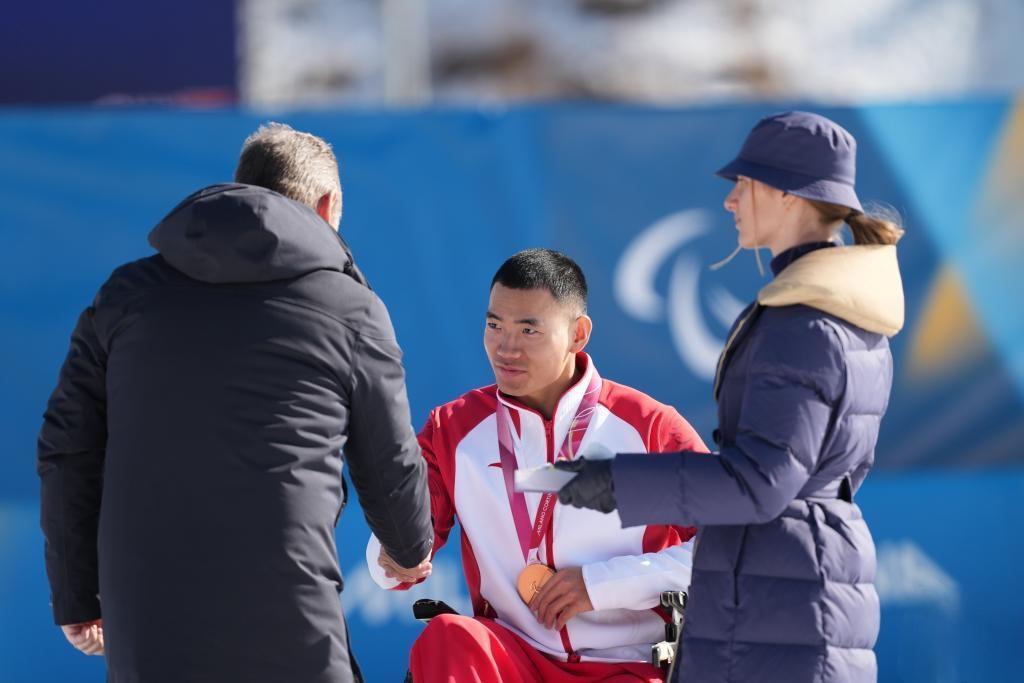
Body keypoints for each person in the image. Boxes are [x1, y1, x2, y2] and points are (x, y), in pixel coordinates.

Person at [37, 122, 433, 683]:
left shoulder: (124, 296)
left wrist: (77, 595)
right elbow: (387, 456)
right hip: (290, 606)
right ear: (327, 205)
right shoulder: (351, 309)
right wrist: (409, 547)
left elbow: (67, 447)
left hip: (148, 615)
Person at [558, 111, 904, 682]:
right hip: (786, 594)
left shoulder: (804, 323)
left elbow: (761, 482)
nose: (730, 200)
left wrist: (611, 483)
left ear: (789, 196)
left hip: (781, 605)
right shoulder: (843, 310)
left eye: (744, 184)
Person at [367, 248, 708, 682]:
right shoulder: (452, 429)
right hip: (511, 656)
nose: (506, 347)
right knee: (447, 637)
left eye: (529, 330)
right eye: (494, 325)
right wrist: (392, 555)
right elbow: (403, 543)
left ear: (578, 334)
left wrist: (601, 583)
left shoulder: (649, 427)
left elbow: (736, 542)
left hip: (625, 664)